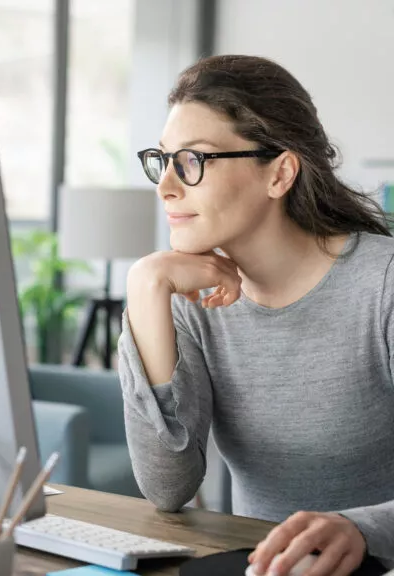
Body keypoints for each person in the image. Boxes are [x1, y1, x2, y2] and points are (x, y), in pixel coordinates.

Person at [118, 54, 394, 576]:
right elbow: (167, 487)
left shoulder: (383, 285)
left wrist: (359, 529)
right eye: (163, 160)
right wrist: (146, 288)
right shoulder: (189, 300)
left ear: (280, 173)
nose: (166, 186)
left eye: (193, 160)